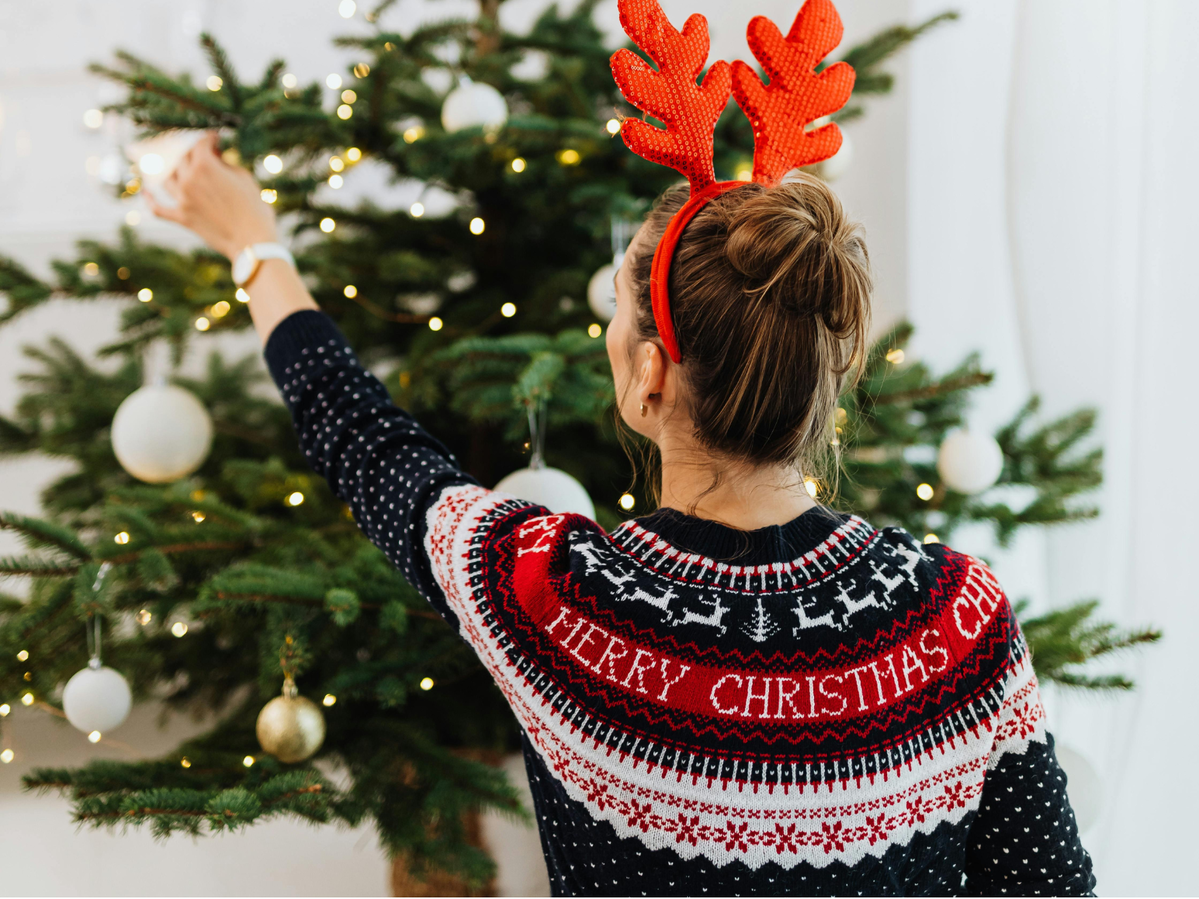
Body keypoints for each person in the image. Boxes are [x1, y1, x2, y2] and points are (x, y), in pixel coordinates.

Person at [148, 132, 1096, 897]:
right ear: (822, 376)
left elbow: (364, 441)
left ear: (649, 376)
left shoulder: (553, 598)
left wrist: (253, 244)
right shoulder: (955, 618)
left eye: (619, 322)